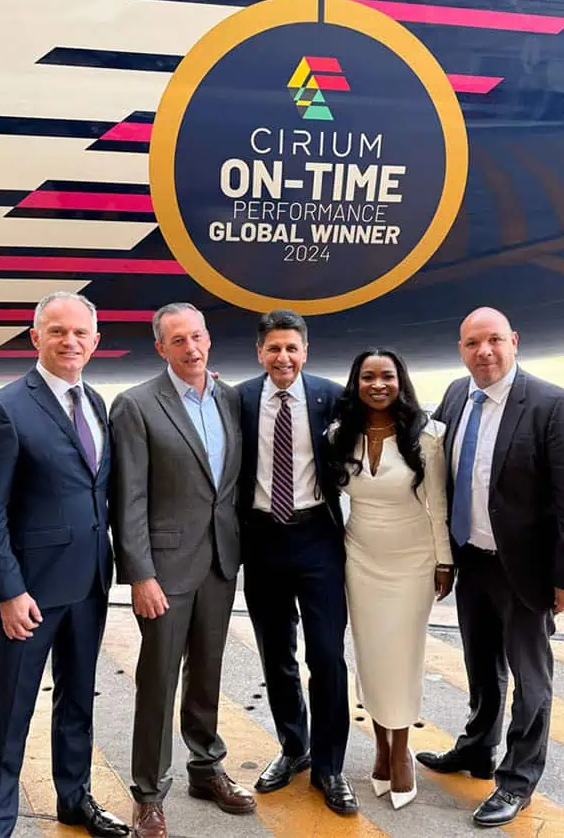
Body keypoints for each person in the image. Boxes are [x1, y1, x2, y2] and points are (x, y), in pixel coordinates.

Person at [416, 307, 564, 828]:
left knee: (529, 678)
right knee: (482, 667)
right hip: (472, 560)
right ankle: (477, 749)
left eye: (494, 340)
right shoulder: (456, 394)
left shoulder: (552, 404)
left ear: (514, 342)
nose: (485, 352)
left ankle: (517, 780)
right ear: (461, 349)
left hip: (528, 570)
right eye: (473, 343)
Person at [0, 291, 128, 838]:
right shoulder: (3, 408)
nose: (70, 341)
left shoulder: (98, 403)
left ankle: (74, 799)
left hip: (87, 585)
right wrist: (9, 592)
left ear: (96, 342)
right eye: (57, 331)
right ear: (35, 337)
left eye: (81, 333)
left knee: (77, 701)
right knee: (9, 715)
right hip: (29, 594)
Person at [109, 303, 255, 838]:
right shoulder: (136, 405)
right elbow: (129, 499)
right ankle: (148, 792)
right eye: (178, 340)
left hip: (220, 559)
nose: (191, 348)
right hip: (164, 571)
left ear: (209, 339)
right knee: (158, 678)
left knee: (208, 672)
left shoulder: (230, 398)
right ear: (161, 348)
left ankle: (206, 767)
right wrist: (140, 574)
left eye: (197, 336)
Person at [236, 309, 358, 815]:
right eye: (273, 348)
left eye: (292, 348)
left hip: (317, 538)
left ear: (305, 351)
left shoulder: (332, 396)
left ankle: (330, 767)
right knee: (276, 654)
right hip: (261, 540)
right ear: (259, 353)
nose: (282, 357)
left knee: (326, 655)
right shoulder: (237, 398)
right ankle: (294, 748)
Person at [327, 348, 453, 811]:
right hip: (360, 558)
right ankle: (380, 745)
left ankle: (401, 754)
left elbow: (436, 503)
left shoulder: (428, 436)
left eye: (387, 376)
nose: (377, 385)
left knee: (402, 657)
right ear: (355, 383)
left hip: (413, 560)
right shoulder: (340, 435)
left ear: (401, 381)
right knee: (371, 656)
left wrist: (444, 561)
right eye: (367, 377)